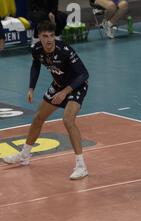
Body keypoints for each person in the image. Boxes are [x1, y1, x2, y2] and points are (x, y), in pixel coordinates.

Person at [2, 21, 89, 180]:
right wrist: (31, 88)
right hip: (58, 86)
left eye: (51, 36)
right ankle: (24, 155)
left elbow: (84, 75)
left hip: (76, 86)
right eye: (45, 36)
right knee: (38, 118)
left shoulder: (64, 50)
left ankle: (81, 166)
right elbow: (36, 65)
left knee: (68, 120)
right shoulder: (37, 50)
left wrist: (65, 92)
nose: (49, 40)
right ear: (39, 38)